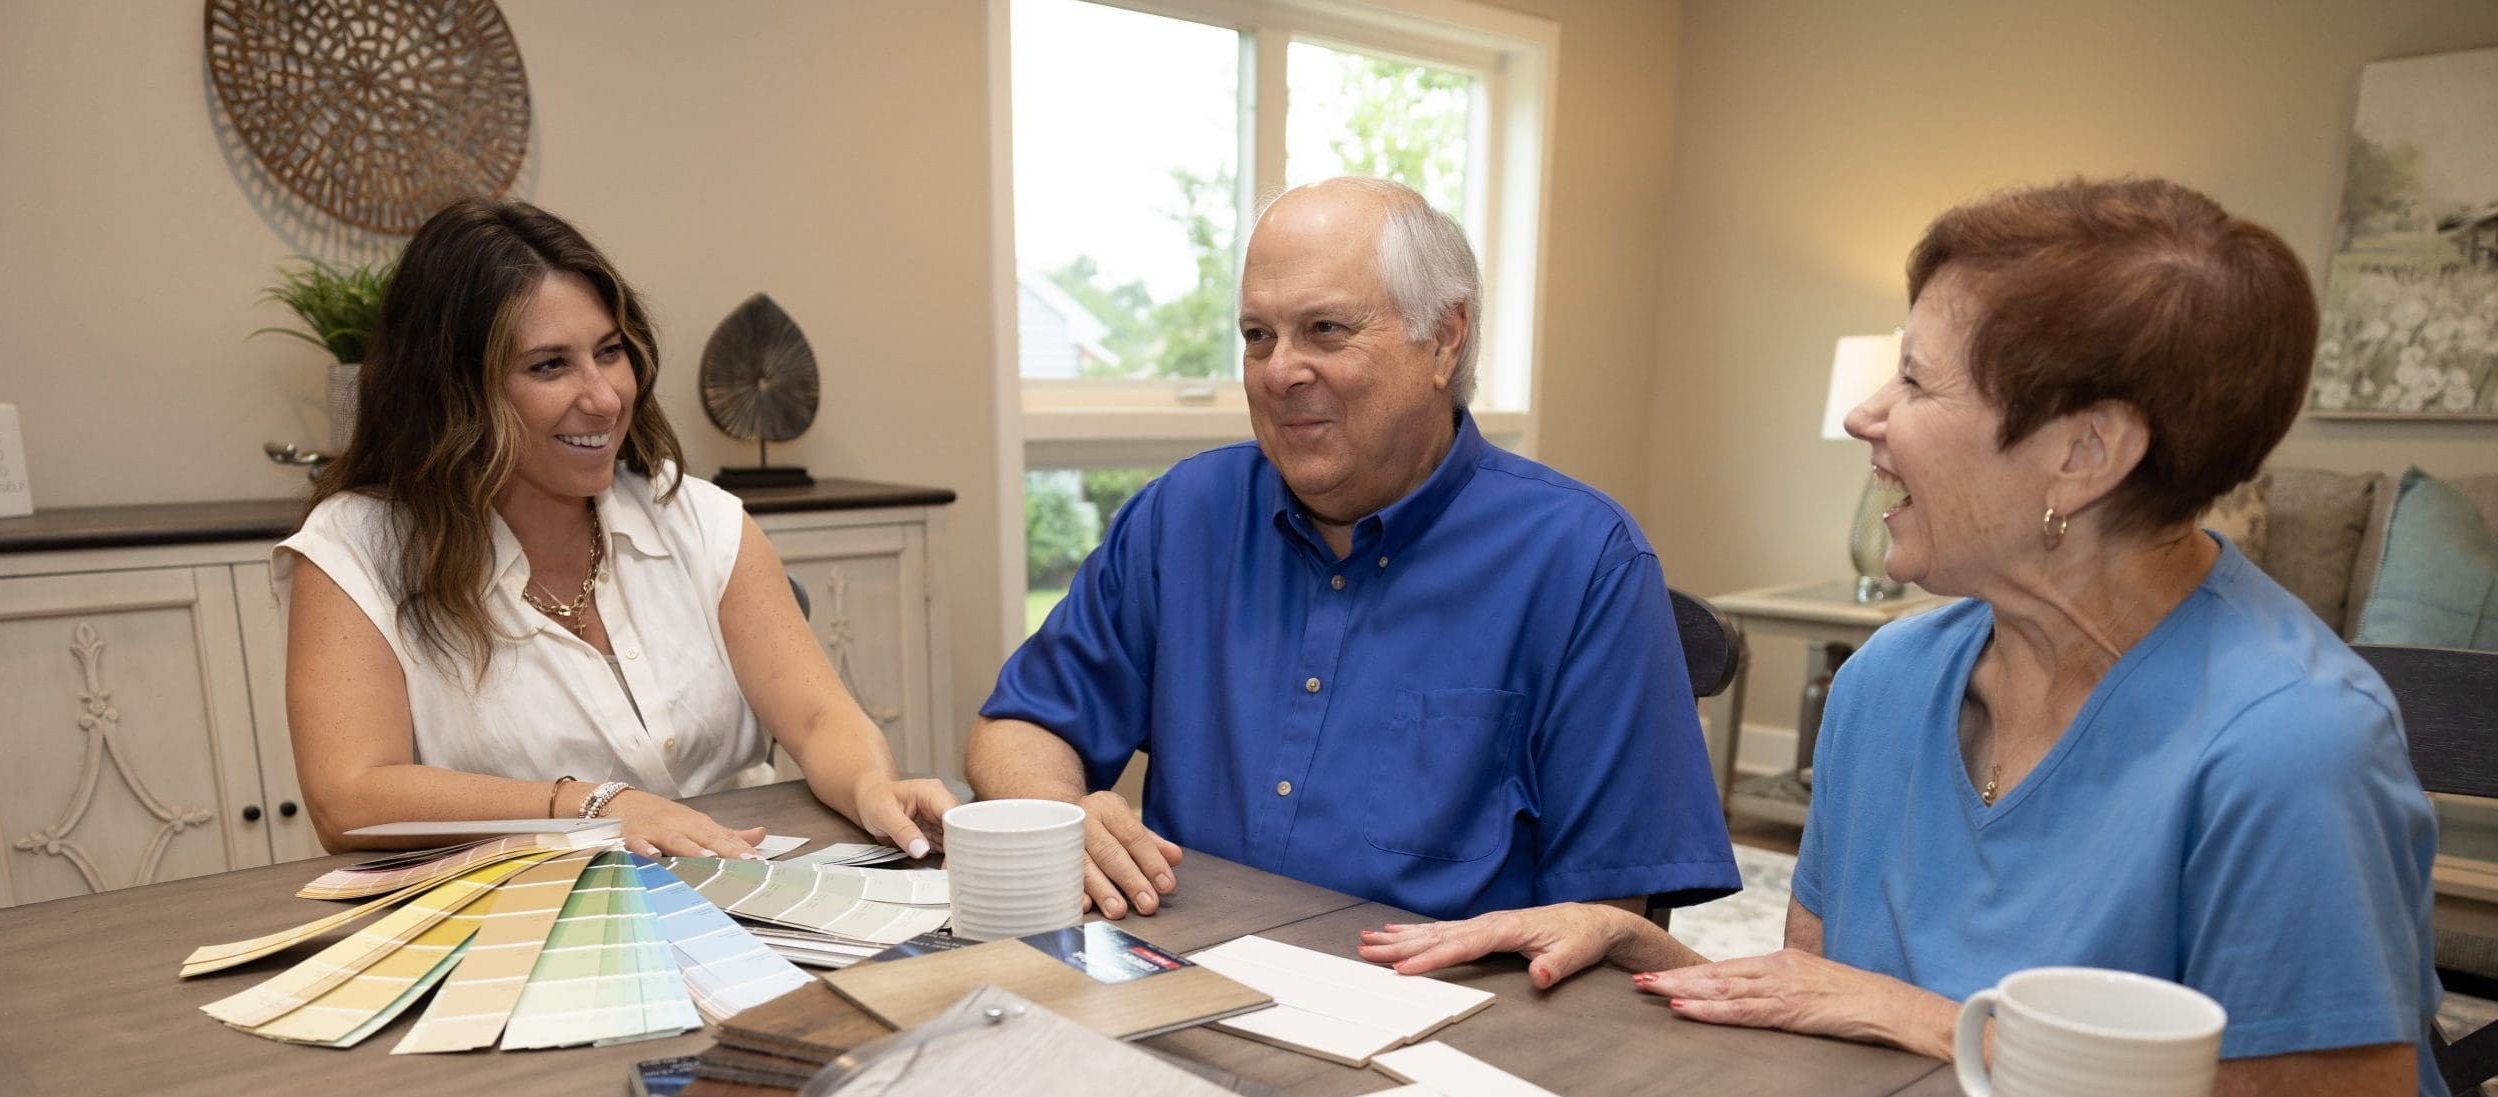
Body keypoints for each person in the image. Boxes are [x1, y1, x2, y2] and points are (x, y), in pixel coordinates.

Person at [1362, 177, 2493, 1097]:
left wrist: (1925, 1019)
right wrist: (1643, 950)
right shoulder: (1890, 682)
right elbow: (1821, 1008)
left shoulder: (2290, 749)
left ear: (2083, 452)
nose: (1866, 416)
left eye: (1912, 378)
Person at [969, 177, 1737, 923]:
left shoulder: (1583, 561)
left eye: (1325, 330)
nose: (1278, 373)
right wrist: (1064, 816)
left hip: (1439, 1013)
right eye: (1257, 336)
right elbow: (1020, 727)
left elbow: (1606, 909)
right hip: (1183, 979)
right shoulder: (1183, 516)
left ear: (1445, 340)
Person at [277, 199, 953, 857]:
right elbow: (351, 798)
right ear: (453, 394)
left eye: (609, 351)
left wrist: (871, 787)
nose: (604, 397)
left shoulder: (700, 518)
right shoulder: (359, 548)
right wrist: (597, 806)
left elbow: (819, 719)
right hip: (532, 922)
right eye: (549, 365)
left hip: (745, 879)